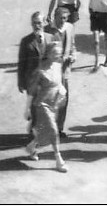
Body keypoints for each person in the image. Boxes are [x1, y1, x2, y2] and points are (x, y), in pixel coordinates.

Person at [24, 43, 69, 173]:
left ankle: (32, 147)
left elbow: (60, 82)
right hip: (42, 105)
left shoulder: (58, 66)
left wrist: (62, 91)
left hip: (54, 103)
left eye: (58, 53)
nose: (58, 55)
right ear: (48, 54)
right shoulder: (39, 71)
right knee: (53, 130)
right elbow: (31, 92)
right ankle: (59, 161)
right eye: (55, 53)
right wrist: (27, 110)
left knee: (46, 133)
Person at [18, 12, 56, 138]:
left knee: (45, 110)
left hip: (47, 82)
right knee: (35, 109)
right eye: (34, 23)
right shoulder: (26, 41)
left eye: (39, 22)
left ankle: (38, 131)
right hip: (32, 82)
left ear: (44, 23)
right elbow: (21, 63)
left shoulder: (51, 38)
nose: (37, 25)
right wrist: (21, 82)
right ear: (31, 24)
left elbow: (56, 60)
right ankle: (34, 140)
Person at [45, 7, 75, 138]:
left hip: (65, 71)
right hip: (52, 70)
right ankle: (48, 128)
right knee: (50, 99)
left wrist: (73, 56)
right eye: (60, 18)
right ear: (55, 17)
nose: (63, 21)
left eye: (65, 18)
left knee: (63, 99)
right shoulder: (47, 30)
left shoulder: (69, 27)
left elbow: (73, 45)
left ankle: (59, 128)